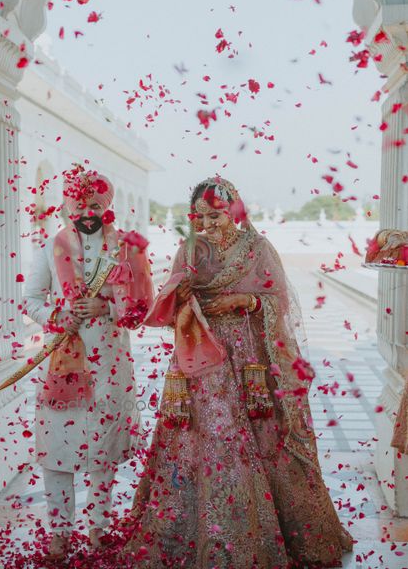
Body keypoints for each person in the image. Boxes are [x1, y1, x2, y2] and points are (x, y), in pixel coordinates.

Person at [118, 177, 353, 568]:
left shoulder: (258, 249)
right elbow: (170, 309)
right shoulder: (190, 248)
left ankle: (263, 537)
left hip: (250, 363)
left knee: (262, 437)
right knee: (210, 438)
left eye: (216, 214)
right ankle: (206, 536)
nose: (208, 222)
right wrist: (182, 293)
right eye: (201, 216)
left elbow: (279, 302)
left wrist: (245, 299)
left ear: (234, 210)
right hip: (204, 360)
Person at [23, 165, 153, 559]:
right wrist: (57, 318)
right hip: (65, 361)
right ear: (67, 205)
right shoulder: (52, 245)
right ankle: (60, 533)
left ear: (107, 205)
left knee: (104, 447)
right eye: (79, 203)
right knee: (57, 446)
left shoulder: (127, 247)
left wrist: (108, 305)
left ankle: (99, 528)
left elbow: (144, 304)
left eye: (95, 203)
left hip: (110, 362)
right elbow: (31, 300)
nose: (86, 211)